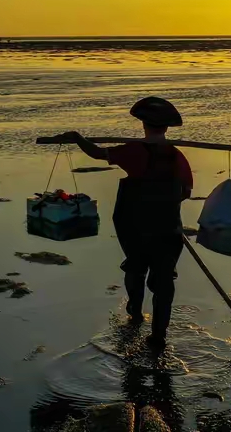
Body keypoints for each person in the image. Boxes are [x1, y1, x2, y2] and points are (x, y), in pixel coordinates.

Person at [62, 97, 193, 349]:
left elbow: (98, 153)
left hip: (135, 227)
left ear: (144, 125)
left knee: (135, 267)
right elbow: (185, 192)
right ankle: (158, 335)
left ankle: (134, 314)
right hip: (168, 228)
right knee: (164, 280)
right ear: (166, 128)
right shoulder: (177, 156)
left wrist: (78, 137)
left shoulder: (134, 151)